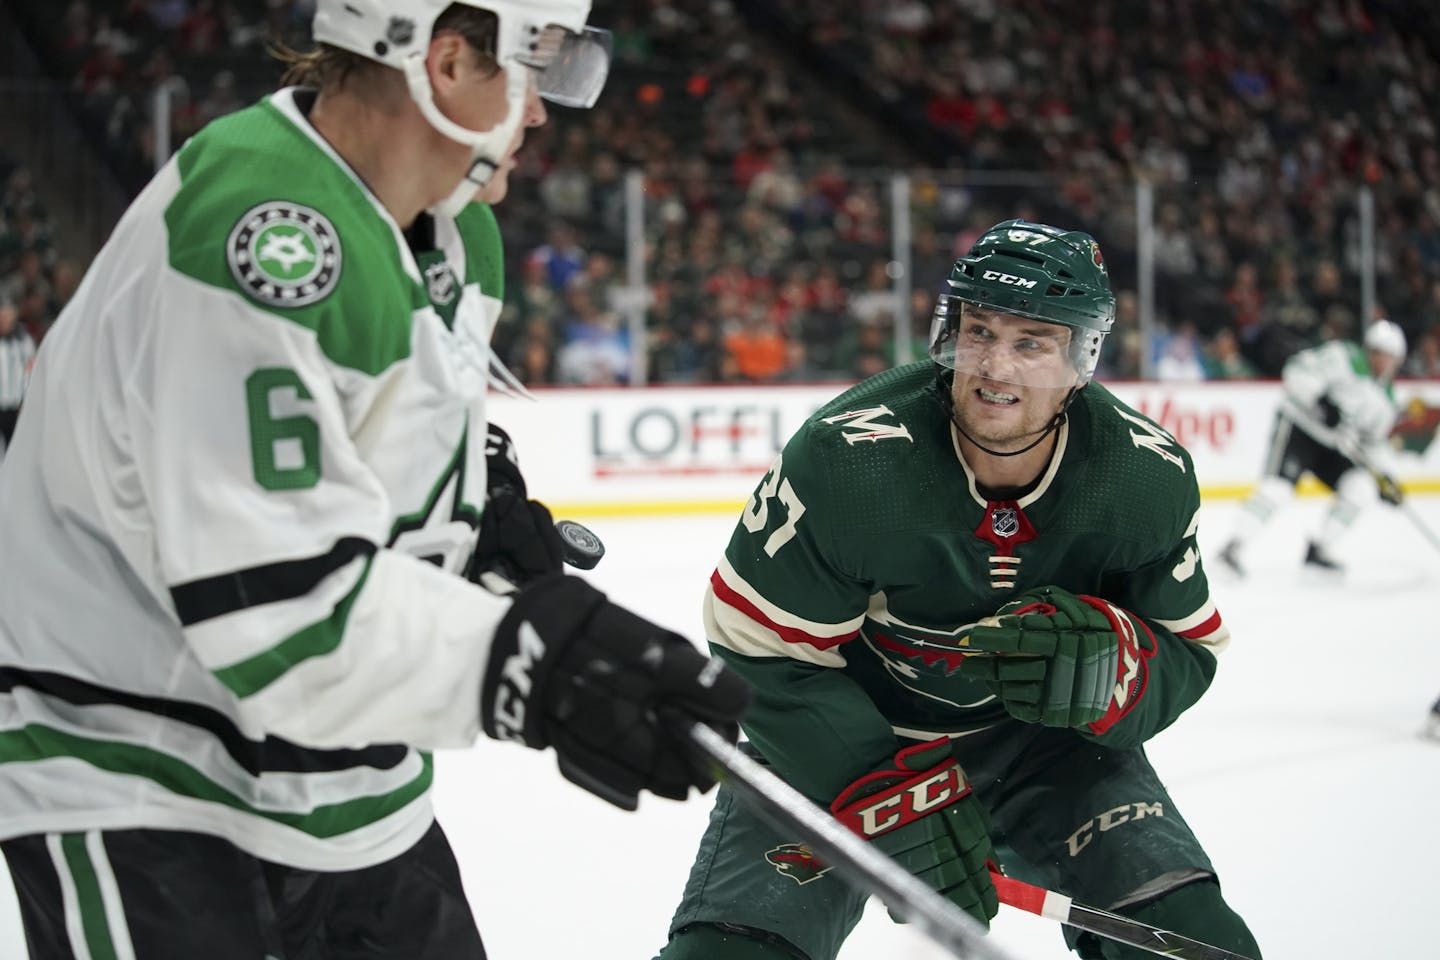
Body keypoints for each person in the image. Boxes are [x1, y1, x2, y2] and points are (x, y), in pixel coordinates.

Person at [0, 3, 750, 958]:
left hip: (341, 768)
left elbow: (361, 458)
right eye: (540, 68)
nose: (544, 114)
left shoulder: (457, 235)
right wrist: (531, 663)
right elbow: (278, 614)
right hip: (138, 759)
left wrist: (474, 516)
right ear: (445, 62)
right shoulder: (262, 233)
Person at [654, 220, 1260, 960]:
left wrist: (1114, 664)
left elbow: (1188, 649)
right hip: (844, 743)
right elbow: (756, 646)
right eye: (979, 332)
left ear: (1083, 357)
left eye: (1031, 343)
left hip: (1044, 754)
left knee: (1196, 945)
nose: (995, 369)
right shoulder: (849, 459)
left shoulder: (1143, 478)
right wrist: (885, 790)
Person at [1218, 319, 1407, 576]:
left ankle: (1319, 549)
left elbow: (1373, 444)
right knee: (1279, 489)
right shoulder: (1343, 356)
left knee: (1360, 487)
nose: (1380, 360)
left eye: (1387, 356)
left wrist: (1386, 478)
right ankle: (1233, 546)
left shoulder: (1386, 400)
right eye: (1376, 352)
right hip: (1300, 428)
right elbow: (1296, 371)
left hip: (1333, 445)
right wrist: (1320, 401)